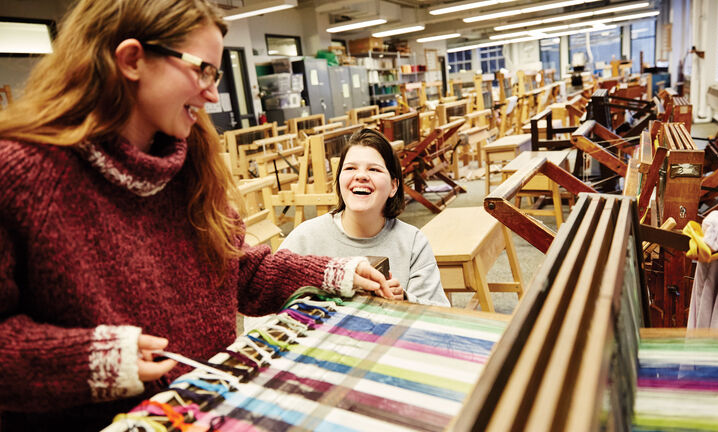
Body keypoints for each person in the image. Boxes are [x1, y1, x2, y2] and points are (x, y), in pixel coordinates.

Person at [0, 0, 397, 429]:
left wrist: (331, 274)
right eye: (201, 70)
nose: (211, 93)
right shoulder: (22, 174)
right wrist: (93, 361)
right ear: (132, 59)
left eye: (216, 74)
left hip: (206, 412)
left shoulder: (188, 161)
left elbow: (236, 271)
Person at [278, 128, 450, 307]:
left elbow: (441, 312)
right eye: (350, 168)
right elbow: (262, 306)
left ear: (393, 186)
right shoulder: (306, 238)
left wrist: (404, 301)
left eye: (374, 169)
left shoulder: (413, 242)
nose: (360, 176)